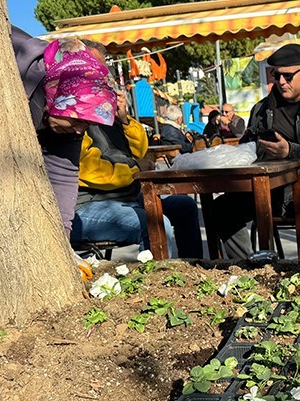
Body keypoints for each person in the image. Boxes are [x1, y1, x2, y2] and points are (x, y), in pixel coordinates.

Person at [207, 43, 300, 258]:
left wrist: (290, 150)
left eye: (288, 76)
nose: (281, 82)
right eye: (276, 75)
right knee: (221, 208)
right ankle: (249, 268)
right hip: (266, 189)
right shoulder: (261, 110)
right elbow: (246, 146)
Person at [70, 42, 204, 259]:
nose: (103, 75)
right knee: (157, 223)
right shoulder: (73, 112)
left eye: (104, 69)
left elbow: (140, 150)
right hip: (89, 205)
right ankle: (161, 284)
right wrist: (135, 170)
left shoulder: (106, 109)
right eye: (96, 68)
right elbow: (89, 169)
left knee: (185, 206)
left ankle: (194, 270)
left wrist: (123, 118)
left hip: (127, 197)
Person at [11, 27, 117, 279]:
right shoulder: (14, 78)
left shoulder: (67, 120)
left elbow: (63, 176)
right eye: (78, 121)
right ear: (58, 97)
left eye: (87, 124)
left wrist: (62, 245)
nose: (80, 132)